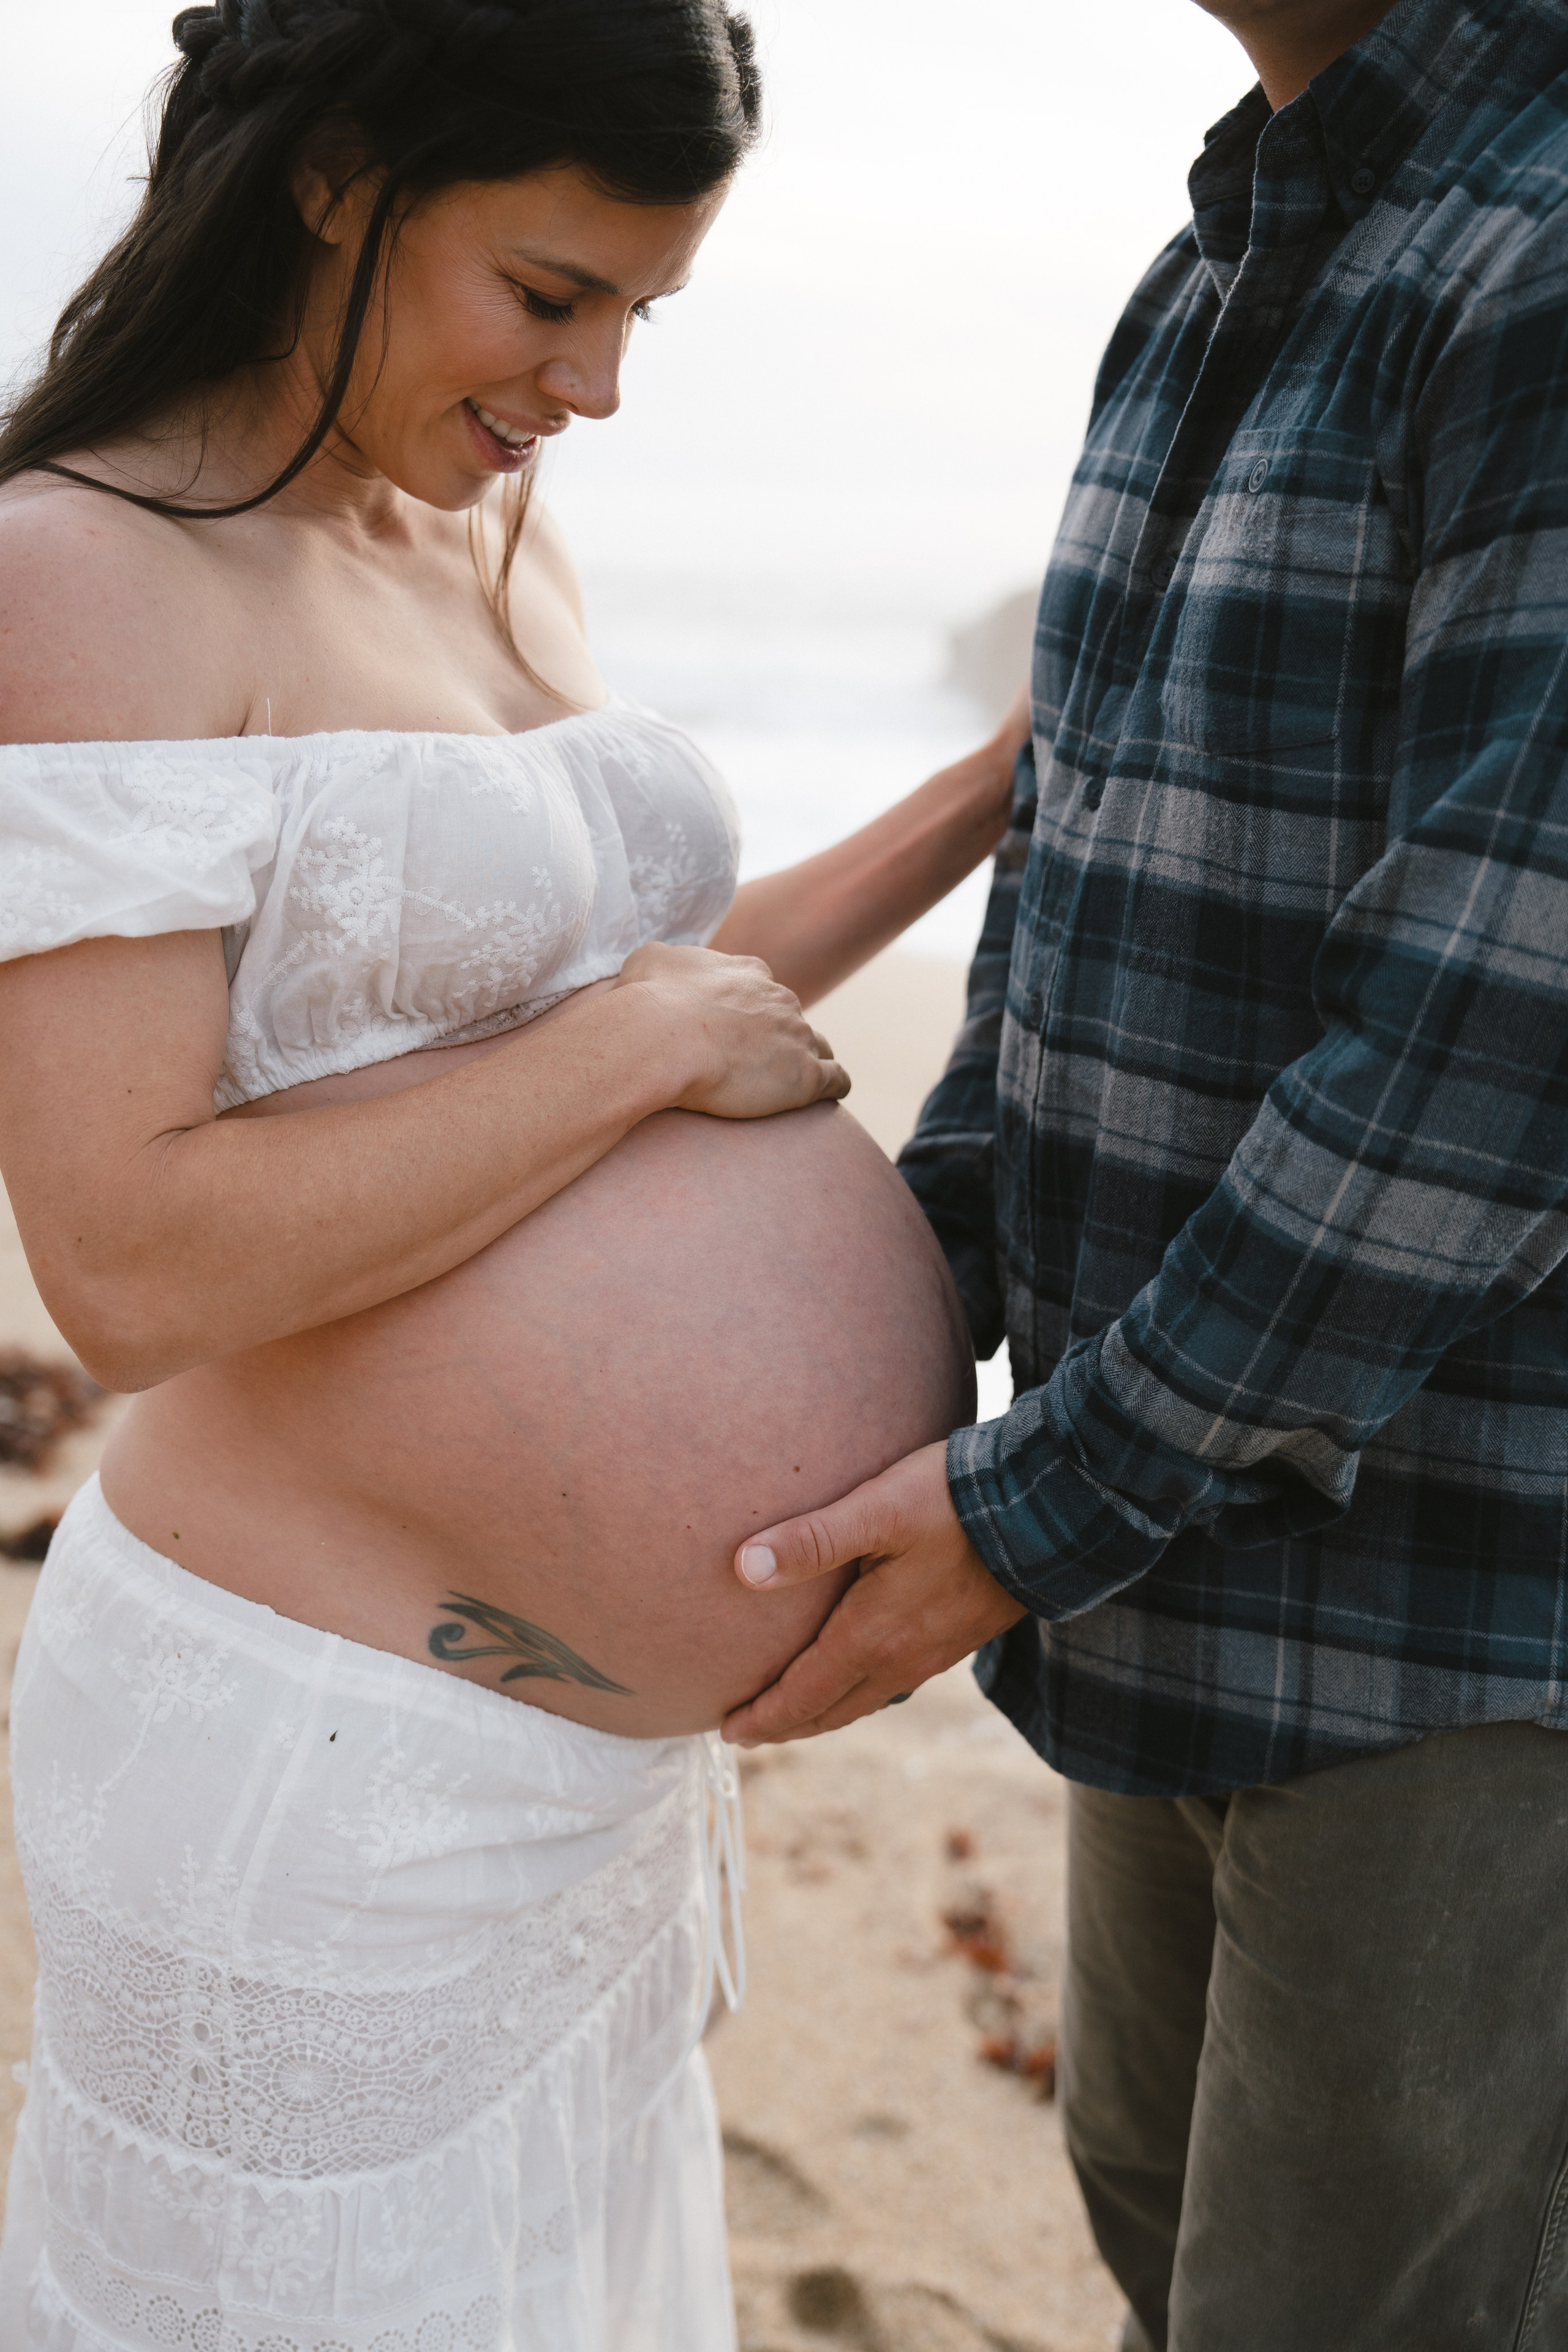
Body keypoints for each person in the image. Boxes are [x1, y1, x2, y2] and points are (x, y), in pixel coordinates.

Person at [0, 4, 1028, 2345]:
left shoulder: (491, 530)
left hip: (569, 1786)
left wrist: (993, 784)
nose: (595, 388)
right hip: (308, 1760)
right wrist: (634, 1044)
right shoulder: (82, 573)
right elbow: (131, 1264)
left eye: (643, 315)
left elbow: (652, 999)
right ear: (340, 179)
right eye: (551, 296)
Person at [720, 0, 1568, 2342]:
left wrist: (1032, 1498)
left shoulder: (1546, 250)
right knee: (1155, 2225)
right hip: (1159, 1550)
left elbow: (1504, 1038)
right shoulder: (1207, 274)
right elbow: (1073, 878)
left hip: (1469, 1610)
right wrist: (897, 1321)